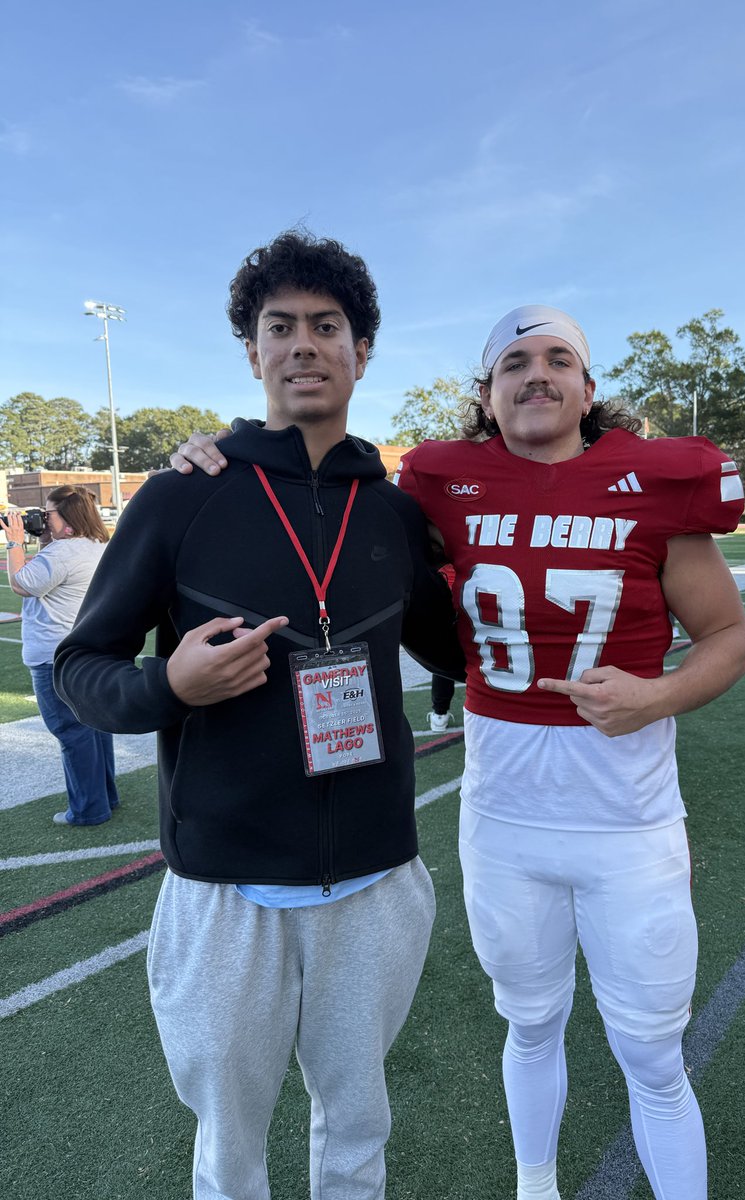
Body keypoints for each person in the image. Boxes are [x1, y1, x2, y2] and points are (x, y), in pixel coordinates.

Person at [171, 304, 745, 1200]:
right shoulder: (441, 479)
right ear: (486, 392)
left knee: (651, 1050)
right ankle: (535, 1187)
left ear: (588, 388)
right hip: (503, 821)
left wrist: (662, 694)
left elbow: (727, 638)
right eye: (514, 361)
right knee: (527, 1024)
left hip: (628, 823)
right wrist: (226, 446)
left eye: (561, 358)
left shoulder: (658, 481)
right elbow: (324, 482)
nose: (538, 374)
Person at [55, 231, 464, 1200]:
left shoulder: (394, 513)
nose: (304, 345)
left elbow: (457, 647)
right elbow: (82, 667)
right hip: (226, 891)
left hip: (373, 880)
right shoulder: (182, 496)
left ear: (362, 351)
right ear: (252, 352)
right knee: (229, 1153)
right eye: (280, 327)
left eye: (328, 326)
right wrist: (169, 689)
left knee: (358, 1131)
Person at [4, 486, 119, 825]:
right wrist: (43, 538)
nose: (41, 517)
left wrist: (14, 542)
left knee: (70, 731)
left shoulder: (63, 554)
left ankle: (88, 810)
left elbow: (22, 584)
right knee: (95, 725)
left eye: (48, 513)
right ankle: (105, 797)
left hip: (53, 653)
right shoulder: (96, 546)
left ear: (68, 521)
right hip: (86, 648)